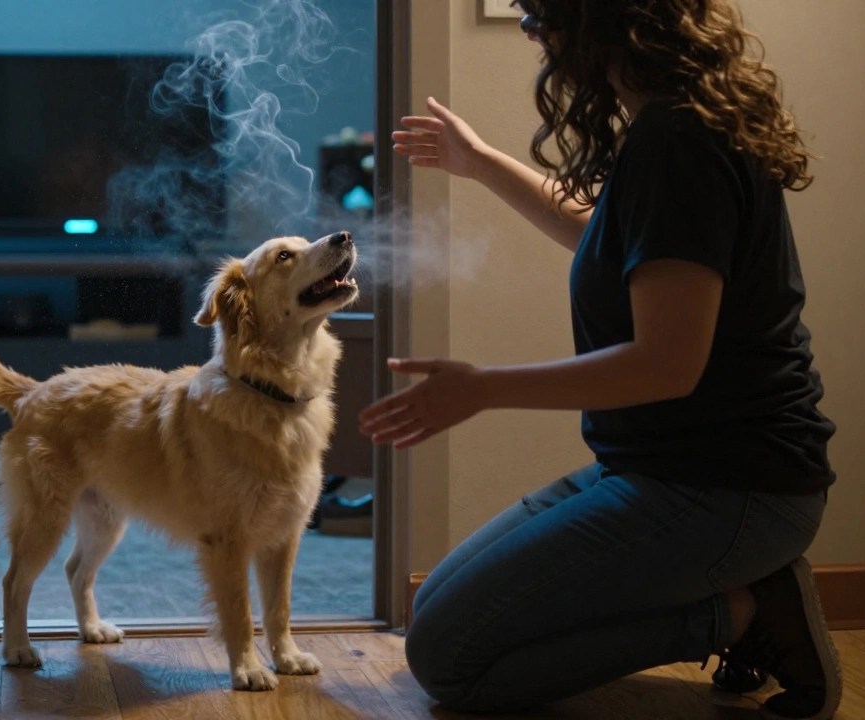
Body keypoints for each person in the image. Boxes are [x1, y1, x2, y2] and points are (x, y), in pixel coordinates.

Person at [358, 1, 839, 718]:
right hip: (659, 469)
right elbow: (605, 239)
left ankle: (744, 615)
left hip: (731, 490)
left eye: (539, 9)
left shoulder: (678, 139)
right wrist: (482, 163)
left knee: (447, 659)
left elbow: (665, 366)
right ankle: (734, 597)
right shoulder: (671, 124)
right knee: (436, 610)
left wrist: (480, 388)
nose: (529, 28)